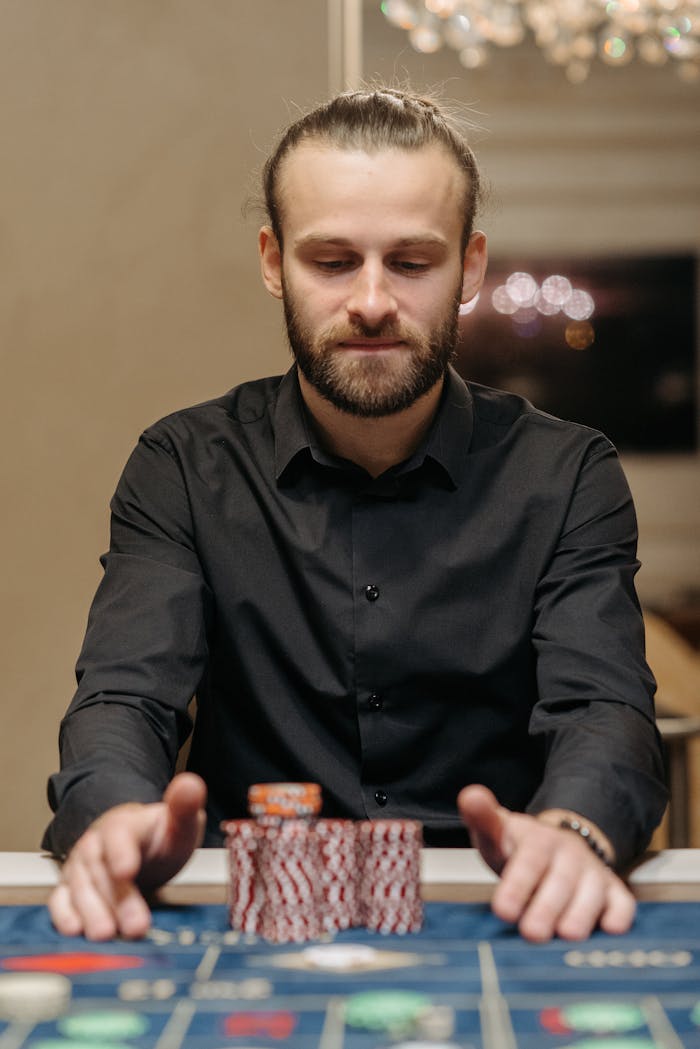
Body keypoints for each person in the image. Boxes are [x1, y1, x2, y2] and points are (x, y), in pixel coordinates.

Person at [44, 87, 667, 946]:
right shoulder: (183, 465)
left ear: (471, 266)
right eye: (332, 260)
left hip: (506, 910)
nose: (372, 301)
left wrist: (576, 831)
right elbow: (125, 696)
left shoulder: (566, 474)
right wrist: (113, 817)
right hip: (246, 914)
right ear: (273, 261)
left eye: (412, 263)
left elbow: (605, 708)